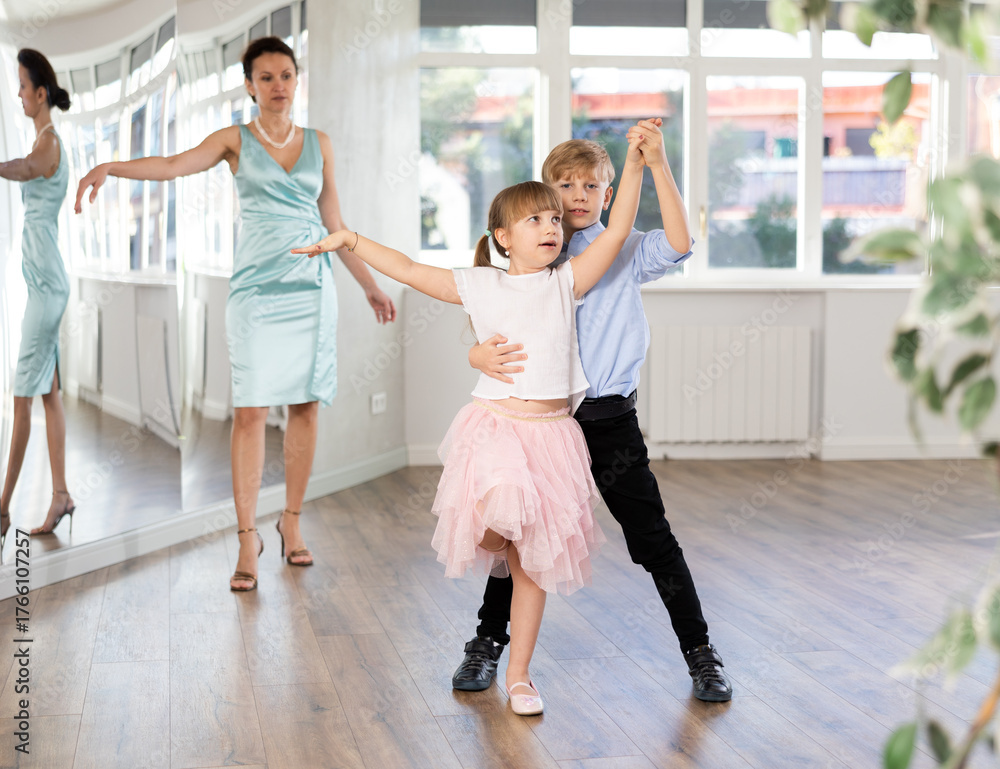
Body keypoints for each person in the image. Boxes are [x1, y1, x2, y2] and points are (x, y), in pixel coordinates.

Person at [292, 130, 647, 714]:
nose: (551, 227)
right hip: (497, 429)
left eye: (554, 219)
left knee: (535, 562)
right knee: (498, 533)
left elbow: (614, 231)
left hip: (553, 435)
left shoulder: (567, 283)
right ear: (503, 238)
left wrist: (633, 166)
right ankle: (497, 550)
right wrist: (350, 239)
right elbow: (408, 269)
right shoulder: (481, 284)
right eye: (534, 219)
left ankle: (521, 675)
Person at [75, 37, 396, 591]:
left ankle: (291, 522)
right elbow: (174, 165)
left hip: (310, 293)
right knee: (249, 412)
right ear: (249, 85)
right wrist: (110, 166)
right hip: (255, 293)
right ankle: (247, 536)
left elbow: (334, 223)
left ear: (297, 80)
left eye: (286, 75)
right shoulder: (234, 140)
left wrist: (369, 285)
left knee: (305, 409)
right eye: (266, 77)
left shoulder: (320, 143)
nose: (278, 85)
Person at [453, 126, 733, 702]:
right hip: (541, 426)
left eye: (591, 185)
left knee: (652, 538)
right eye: (564, 184)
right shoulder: (535, 254)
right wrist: (476, 352)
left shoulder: (622, 249)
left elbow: (680, 240)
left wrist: (655, 164)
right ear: (546, 195)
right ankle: (487, 642)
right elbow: (489, 312)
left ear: (608, 195)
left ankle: (700, 651)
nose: (578, 195)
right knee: (516, 538)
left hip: (607, 421)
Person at [0, 49, 75, 552]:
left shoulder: (48, 144)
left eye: (24, 87)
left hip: (47, 292)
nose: (20, 95)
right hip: (45, 285)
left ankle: (1, 510)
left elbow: (27, 169)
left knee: (21, 401)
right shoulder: (42, 138)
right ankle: (62, 496)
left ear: (41, 92)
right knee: (47, 394)